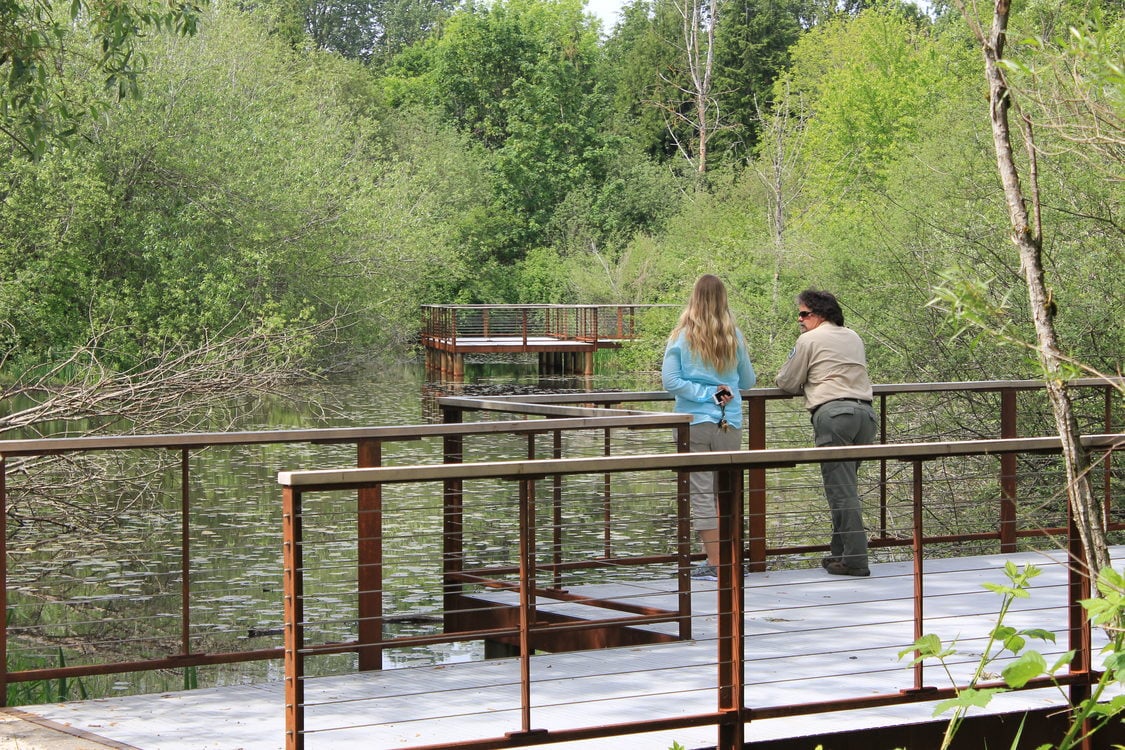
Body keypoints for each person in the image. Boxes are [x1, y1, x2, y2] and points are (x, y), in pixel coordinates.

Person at [775, 289, 877, 577]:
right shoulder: (853, 336)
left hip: (834, 415)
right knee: (845, 487)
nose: (799, 319)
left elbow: (787, 380)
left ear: (820, 314)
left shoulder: (809, 339)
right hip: (865, 416)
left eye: (804, 313)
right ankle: (840, 554)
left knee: (842, 492)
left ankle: (856, 560)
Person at [662, 274, 757, 581]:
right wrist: (721, 392)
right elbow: (748, 382)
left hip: (693, 424)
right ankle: (730, 561)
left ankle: (714, 564)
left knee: (702, 492)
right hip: (729, 423)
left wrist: (704, 395)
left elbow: (671, 382)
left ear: (694, 298)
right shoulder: (734, 336)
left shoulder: (680, 337)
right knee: (728, 492)